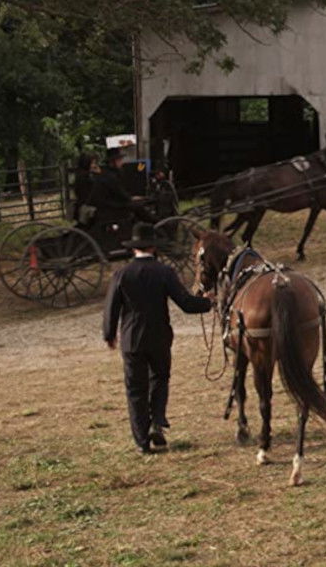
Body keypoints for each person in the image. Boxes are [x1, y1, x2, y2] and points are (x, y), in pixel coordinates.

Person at [103, 223, 213, 454]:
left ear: (134, 249)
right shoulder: (165, 272)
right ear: (153, 247)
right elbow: (185, 304)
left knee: (135, 388)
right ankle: (157, 421)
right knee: (160, 379)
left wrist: (109, 334)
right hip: (159, 337)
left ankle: (142, 441)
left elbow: (111, 308)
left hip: (132, 339)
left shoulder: (121, 274)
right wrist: (209, 302)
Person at [72, 153, 99, 225]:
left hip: (82, 204)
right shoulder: (86, 177)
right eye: (92, 163)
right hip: (87, 205)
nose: (94, 165)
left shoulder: (80, 174)